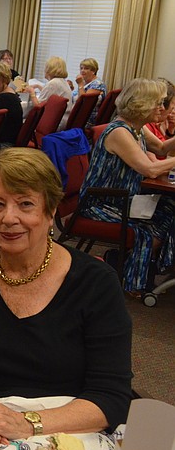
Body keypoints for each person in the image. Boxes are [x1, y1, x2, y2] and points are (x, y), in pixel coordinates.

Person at [0, 147, 132, 450]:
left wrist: (25, 423)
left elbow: (110, 397)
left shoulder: (97, 283)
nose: (9, 218)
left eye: (25, 204)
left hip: (66, 428)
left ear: (51, 212)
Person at [80, 78, 175, 293]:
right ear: (142, 104)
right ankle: (129, 277)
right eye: (158, 103)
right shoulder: (119, 131)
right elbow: (149, 170)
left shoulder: (136, 128)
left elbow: (160, 148)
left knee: (170, 208)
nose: (162, 108)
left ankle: (129, 264)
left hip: (122, 199)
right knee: (147, 228)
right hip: (100, 203)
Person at [72, 58, 107, 125]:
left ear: (93, 71)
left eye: (86, 68)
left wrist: (80, 84)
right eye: (81, 68)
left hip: (86, 120)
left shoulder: (97, 84)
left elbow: (84, 104)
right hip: (78, 116)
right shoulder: (85, 82)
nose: (82, 71)